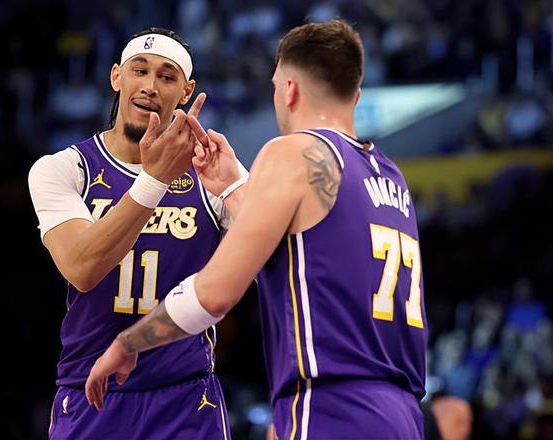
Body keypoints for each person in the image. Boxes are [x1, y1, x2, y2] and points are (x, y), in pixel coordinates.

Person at [85, 20, 428, 439]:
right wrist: (233, 186)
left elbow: (214, 293)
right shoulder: (390, 177)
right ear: (355, 95)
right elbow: (300, 248)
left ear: (289, 90)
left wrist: (127, 343)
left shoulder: (293, 151)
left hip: (330, 407)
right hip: (402, 415)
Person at [28, 27, 246, 440]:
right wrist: (154, 180)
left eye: (166, 76)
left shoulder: (209, 171)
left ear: (186, 91)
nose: (150, 86)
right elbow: (82, 268)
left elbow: (272, 255)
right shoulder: (64, 168)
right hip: (91, 393)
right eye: (139, 71)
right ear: (116, 76)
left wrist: (235, 186)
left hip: (187, 397)